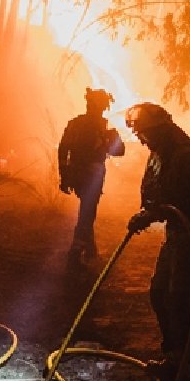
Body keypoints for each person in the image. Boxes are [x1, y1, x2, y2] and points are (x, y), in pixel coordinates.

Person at [124, 102, 190, 381]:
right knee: (160, 293)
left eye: (143, 132)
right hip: (176, 235)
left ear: (158, 130)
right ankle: (175, 355)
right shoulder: (159, 155)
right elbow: (160, 199)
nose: (140, 138)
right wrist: (146, 215)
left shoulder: (184, 157)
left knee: (181, 299)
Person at [58, 88, 125, 260]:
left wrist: (65, 175)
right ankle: (77, 246)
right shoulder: (102, 128)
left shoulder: (76, 123)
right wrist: (112, 139)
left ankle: (89, 247)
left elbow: (63, 149)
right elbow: (119, 151)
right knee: (88, 209)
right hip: (93, 173)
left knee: (86, 207)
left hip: (77, 172)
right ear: (102, 107)